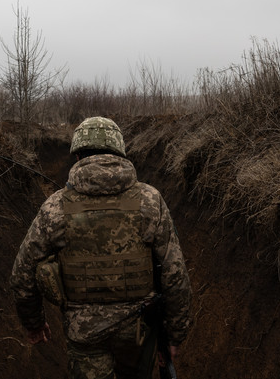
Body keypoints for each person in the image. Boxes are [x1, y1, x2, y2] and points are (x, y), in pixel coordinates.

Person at [10, 116, 192, 379]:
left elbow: (22, 275)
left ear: (77, 157)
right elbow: (175, 274)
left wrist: (34, 324)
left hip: (84, 333)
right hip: (138, 331)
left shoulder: (55, 207)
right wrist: (176, 334)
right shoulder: (151, 200)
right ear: (120, 153)